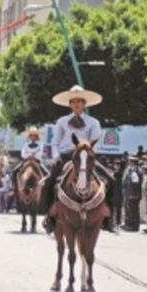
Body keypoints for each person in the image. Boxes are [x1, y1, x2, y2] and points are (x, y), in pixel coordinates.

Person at [40, 85, 109, 233]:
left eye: (79, 101)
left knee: (111, 179)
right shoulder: (62, 121)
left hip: (86, 156)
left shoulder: (93, 122)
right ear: (70, 104)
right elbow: (55, 142)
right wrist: (56, 156)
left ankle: (109, 217)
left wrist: (89, 155)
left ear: (84, 104)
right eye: (73, 102)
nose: (76, 104)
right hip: (66, 155)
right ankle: (49, 216)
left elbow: (95, 142)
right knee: (49, 181)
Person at [123, 156, 143, 232]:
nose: (129, 162)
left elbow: (135, 184)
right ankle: (130, 225)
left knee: (134, 211)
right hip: (131, 193)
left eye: (130, 161)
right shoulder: (132, 170)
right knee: (131, 210)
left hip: (134, 194)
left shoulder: (135, 171)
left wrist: (133, 194)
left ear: (133, 162)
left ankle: (134, 226)